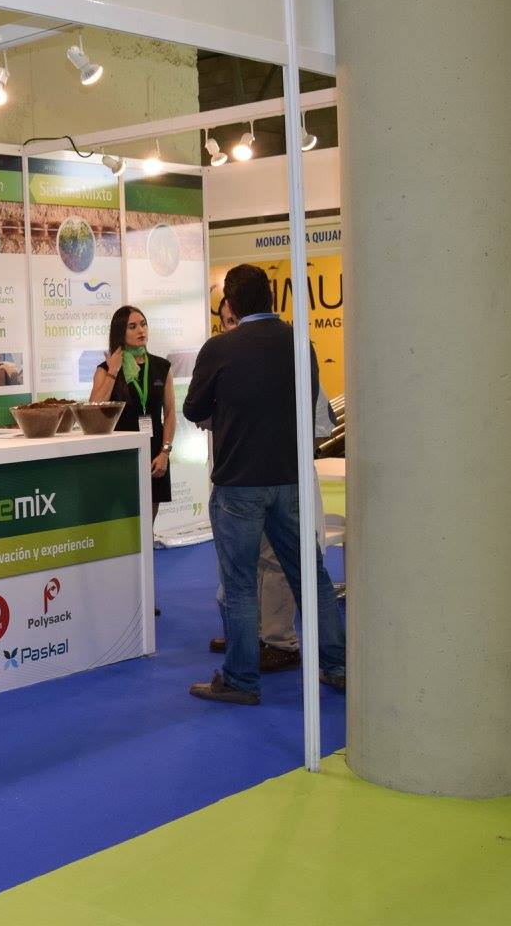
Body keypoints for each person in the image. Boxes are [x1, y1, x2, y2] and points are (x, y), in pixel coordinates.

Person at [183, 265, 345, 704]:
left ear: (231, 305)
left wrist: (229, 411)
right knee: (309, 576)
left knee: (240, 583)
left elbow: (194, 408)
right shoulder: (299, 344)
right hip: (289, 478)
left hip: (238, 483)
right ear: (270, 298)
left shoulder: (220, 348)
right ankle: (337, 665)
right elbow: (307, 403)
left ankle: (241, 680)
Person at [90, 305, 176, 518]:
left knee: (147, 527)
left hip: (154, 454)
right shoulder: (105, 368)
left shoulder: (162, 366)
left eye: (143, 324)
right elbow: (93, 410)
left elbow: (170, 413)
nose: (141, 330)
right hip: (119, 456)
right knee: (121, 525)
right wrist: (113, 370)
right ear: (120, 332)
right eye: (133, 326)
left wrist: (165, 452)